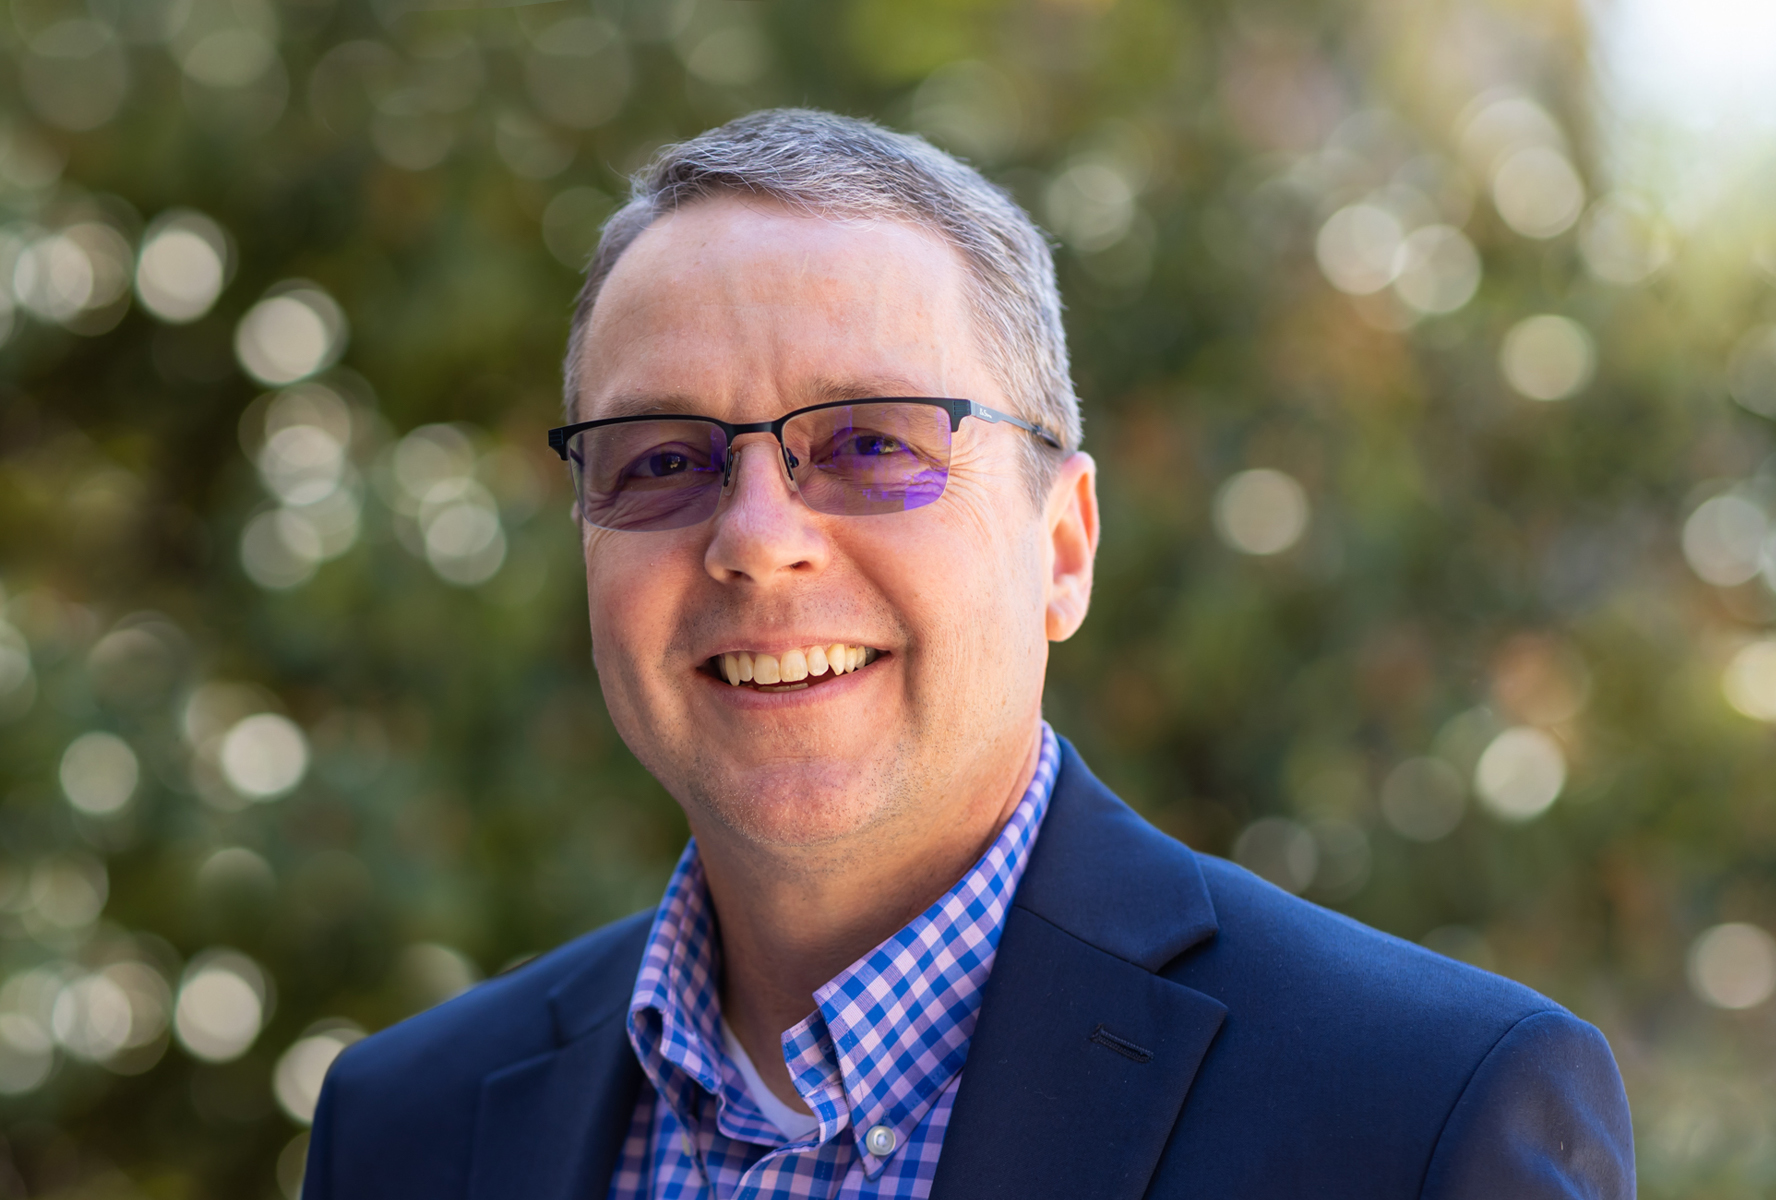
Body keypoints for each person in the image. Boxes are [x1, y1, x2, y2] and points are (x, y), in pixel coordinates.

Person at [303, 109, 1634, 1199]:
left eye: (873, 444)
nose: (757, 542)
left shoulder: (1421, 1117)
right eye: (661, 461)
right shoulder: (406, 1129)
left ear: (1064, 546)